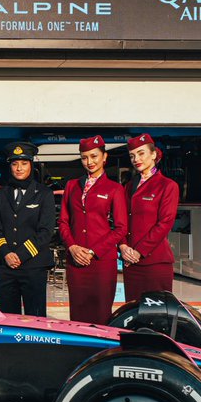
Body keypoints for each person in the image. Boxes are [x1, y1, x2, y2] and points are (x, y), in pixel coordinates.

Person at [59, 135, 128, 324]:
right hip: (75, 261)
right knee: (78, 311)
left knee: (101, 311)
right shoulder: (72, 186)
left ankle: (103, 351)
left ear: (104, 157)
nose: (89, 162)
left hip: (101, 262)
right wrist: (72, 247)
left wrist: (92, 251)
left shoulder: (115, 189)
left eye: (94, 156)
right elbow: (63, 222)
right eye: (84, 157)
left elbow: (120, 228)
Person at [0, 142, 56, 316]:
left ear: (31, 165)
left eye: (24, 163)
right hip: (5, 266)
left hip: (34, 266)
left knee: (36, 318)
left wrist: (21, 255)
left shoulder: (44, 193)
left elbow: (46, 231)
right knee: (8, 319)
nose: (19, 168)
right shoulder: (0, 194)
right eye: (15, 163)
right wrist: (6, 253)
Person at [120, 133, 180, 302]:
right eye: (132, 155)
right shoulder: (129, 186)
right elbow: (122, 220)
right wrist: (123, 246)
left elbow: (165, 223)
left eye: (141, 153)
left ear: (153, 155)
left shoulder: (167, 186)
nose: (136, 159)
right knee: (133, 312)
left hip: (155, 263)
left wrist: (139, 251)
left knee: (158, 316)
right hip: (130, 262)